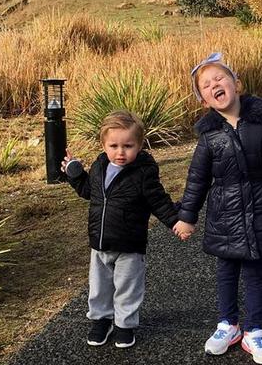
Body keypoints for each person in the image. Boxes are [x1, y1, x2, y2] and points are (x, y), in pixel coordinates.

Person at [173, 52, 262, 365]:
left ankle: (255, 330)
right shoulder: (208, 135)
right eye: (206, 85)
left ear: (237, 84)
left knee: (256, 272)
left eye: (220, 78)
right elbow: (197, 179)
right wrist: (187, 217)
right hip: (224, 214)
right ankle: (228, 324)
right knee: (226, 272)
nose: (214, 85)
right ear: (203, 100)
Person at [62, 110, 180, 349]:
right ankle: (101, 320)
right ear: (103, 145)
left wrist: (176, 222)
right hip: (100, 243)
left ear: (139, 144)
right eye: (113, 145)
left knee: (128, 287)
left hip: (130, 244)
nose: (120, 152)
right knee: (99, 287)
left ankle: (124, 324)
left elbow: (158, 201)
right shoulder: (99, 166)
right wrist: (75, 175)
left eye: (128, 145)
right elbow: (89, 191)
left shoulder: (144, 173)